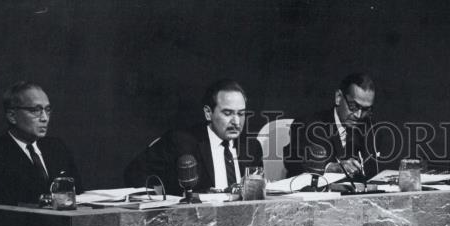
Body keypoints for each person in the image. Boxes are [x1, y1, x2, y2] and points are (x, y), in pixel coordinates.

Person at [124, 79, 263, 195]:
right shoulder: (180, 141)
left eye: (241, 114)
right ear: (208, 113)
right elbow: (134, 173)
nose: (237, 122)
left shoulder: (252, 146)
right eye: (228, 113)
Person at [0, 81, 83, 206]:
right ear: (12, 116)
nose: (45, 118)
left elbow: (78, 192)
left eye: (47, 110)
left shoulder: (57, 148)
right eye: (36, 110)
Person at [283, 72, 379, 180]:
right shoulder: (307, 124)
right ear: (338, 97)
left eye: (366, 109)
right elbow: (294, 163)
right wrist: (330, 168)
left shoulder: (368, 128)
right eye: (353, 106)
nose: (359, 115)